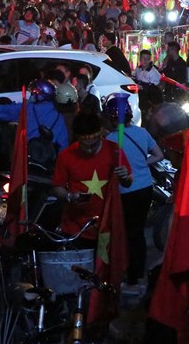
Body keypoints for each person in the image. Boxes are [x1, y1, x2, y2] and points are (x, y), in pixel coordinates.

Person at [105, 92, 164, 289]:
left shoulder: (110, 140)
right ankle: (138, 273)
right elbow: (159, 155)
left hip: (125, 191)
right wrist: (141, 165)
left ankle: (129, 273)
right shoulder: (143, 133)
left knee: (127, 232)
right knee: (137, 232)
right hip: (145, 188)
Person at [51, 112, 133, 242]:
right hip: (75, 227)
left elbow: (127, 183)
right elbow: (57, 187)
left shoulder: (114, 150)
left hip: (107, 225)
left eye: (93, 145)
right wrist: (70, 197)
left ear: (101, 134)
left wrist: (125, 177)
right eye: (85, 145)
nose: (89, 150)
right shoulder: (66, 156)